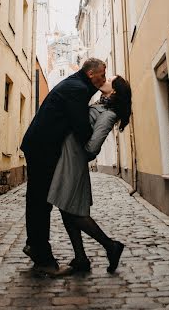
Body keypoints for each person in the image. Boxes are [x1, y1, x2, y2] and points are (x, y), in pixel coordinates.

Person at [20, 58, 107, 276]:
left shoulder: (76, 85)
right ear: (91, 74)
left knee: (38, 200)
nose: (104, 79)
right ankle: (42, 257)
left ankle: (35, 246)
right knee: (40, 202)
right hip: (42, 147)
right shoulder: (77, 89)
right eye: (102, 75)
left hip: (42, 146)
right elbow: (80, 126)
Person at [47, 75, 132, 274]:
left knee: (72, 210)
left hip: (73, 159)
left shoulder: (109, 114)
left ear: (115, 91)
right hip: (69, 156)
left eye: (110, 79)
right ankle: (81, 258)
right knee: (66, 207)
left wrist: (77, 151)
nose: (106, 79)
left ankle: (111, 246)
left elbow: (93, 147)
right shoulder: (100, 104)